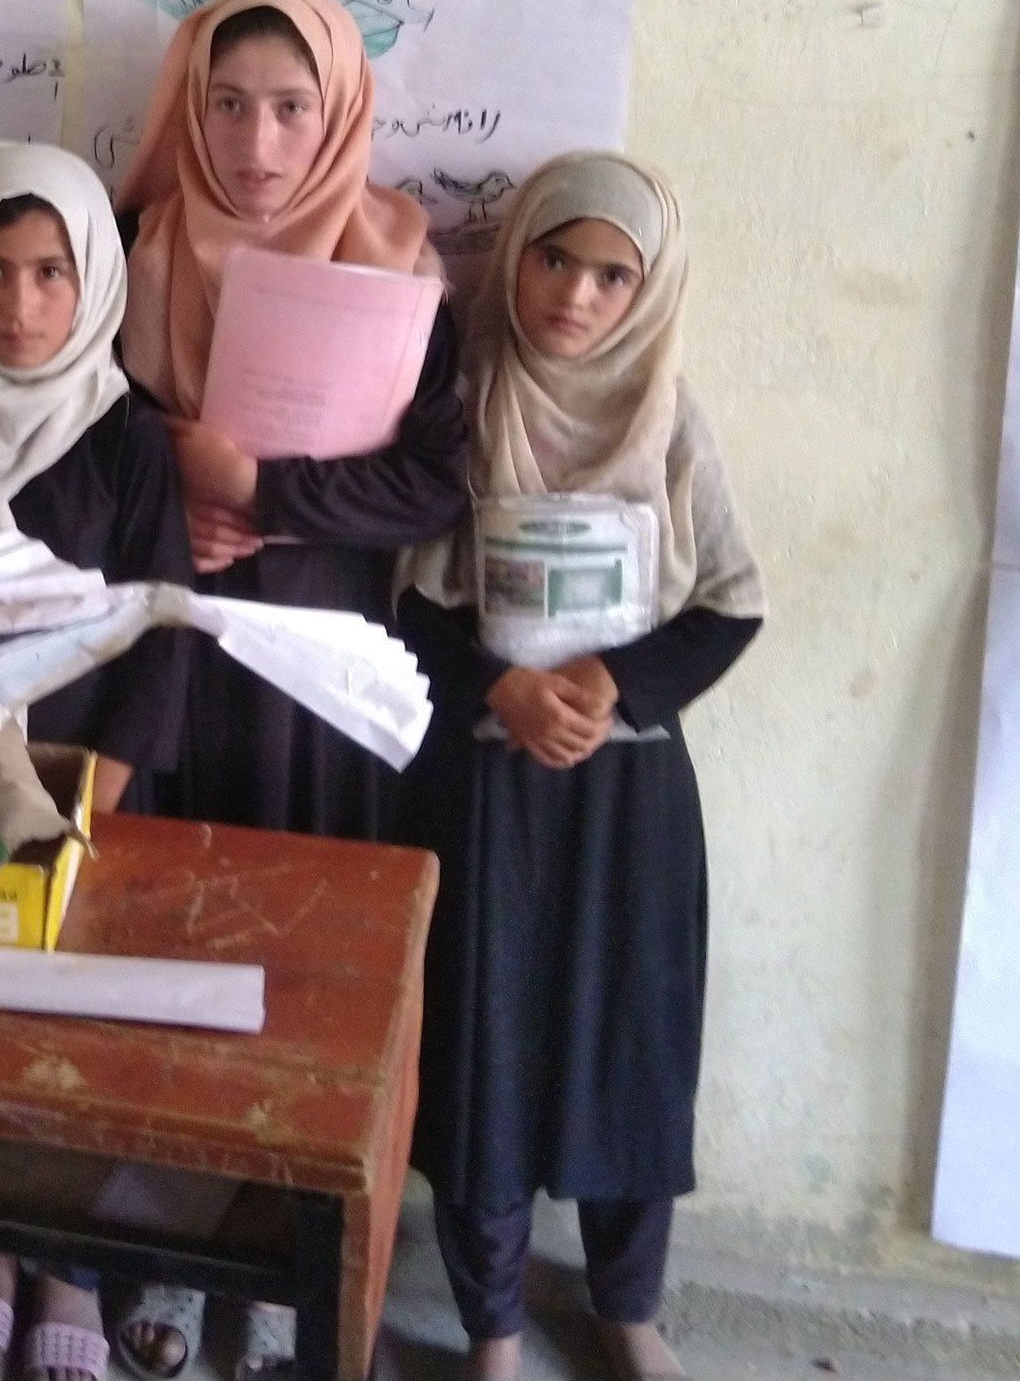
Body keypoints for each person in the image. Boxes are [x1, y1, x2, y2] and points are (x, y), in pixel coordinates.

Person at [107, 0, 467, 1381]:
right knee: (152, 942)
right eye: (228, 104)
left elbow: (435, 474)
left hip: (317, 676)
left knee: (297, 964)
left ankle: (278, 1265)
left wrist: (274, 492)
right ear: (189, 113)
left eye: (290, 107)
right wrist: (173, 505)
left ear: (337, 116)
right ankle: (144, 1238)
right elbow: (86, 439)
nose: (258, 140)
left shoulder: (397, 263)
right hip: (166, 653)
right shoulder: (134, 245)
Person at [394, 153, 766, 1381]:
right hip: (488, 788)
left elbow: (729, 603)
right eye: (557, 258)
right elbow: (405, 600)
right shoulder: (463, 398)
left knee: (628, 1045)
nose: (577, 296)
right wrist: (499, 682)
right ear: (518, 258)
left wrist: (613, 687)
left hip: (626, 794)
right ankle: (493, 1328)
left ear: (649, 293)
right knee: (483, 1049)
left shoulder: (671, 418)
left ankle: (627, 1307)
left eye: (616, 275)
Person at [0, 142, 191, 1381]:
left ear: (94, 287)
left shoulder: (124, 434)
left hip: (88, 790)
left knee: (76, 1029)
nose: (18, 308)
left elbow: (163, 620)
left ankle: (69, 1268)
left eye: (49, 274)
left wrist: (99, 795)